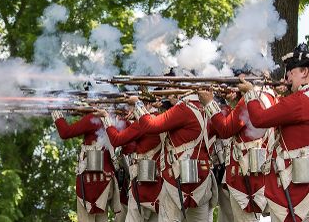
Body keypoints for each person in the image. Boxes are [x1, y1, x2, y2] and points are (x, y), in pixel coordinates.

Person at [237, 44, 309, 222]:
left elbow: (259, 119)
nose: (286, 77)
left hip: (296, 190)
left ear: (304, 71)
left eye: (290, 72)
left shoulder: (300, 100)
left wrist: (249, 94)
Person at [128, 93, 218, 222]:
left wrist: (138, 104)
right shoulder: (211, 108)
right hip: (202, 181)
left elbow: (150, 126)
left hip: (176, 180)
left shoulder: (184, 109)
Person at [198, 75, 276, 222]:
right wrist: (234, 101)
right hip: (260, 170)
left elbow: (226, 129)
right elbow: (246, 123)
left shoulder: (250, 98)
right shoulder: (270, 96)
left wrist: (209, 104)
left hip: (245, 175)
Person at [97, 103, 163, 222]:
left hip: (142, 185)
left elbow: (117, 140)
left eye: (132, 106)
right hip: (158, 183)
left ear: (145, 104)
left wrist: (106, 117)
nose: (129, 109)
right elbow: (131, 144)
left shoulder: (143, 124)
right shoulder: (160, 117)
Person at [51, 110, 122, 222]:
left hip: (90, 184)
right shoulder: (115, 119)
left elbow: (65, 132)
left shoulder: (92, 119)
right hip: (106, 183)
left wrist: (56, 112)